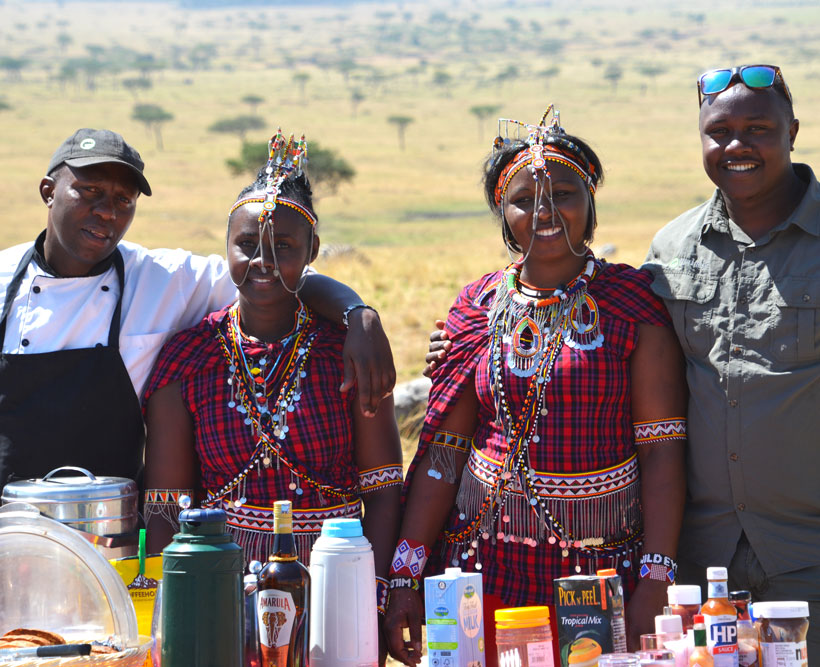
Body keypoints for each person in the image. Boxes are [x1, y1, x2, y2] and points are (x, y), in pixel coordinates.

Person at [385, 108, 687, 666]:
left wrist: (657, 577)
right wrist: (404, 576)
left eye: (564, 194)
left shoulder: (630, 305)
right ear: (504, 214)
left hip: (599, 575)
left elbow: (662, 452)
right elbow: (443, 458)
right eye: (524, 200)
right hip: (480, 568)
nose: (545, 212)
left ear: (591, 203)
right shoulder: (476, 307)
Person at [0, 128, 395, 492]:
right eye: (89, 191)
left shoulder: (164, 278)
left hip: (110, 528)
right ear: (48, 191)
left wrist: (359, 315)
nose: (107, 212)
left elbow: (278, 276)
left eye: (124, 200)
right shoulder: (3, 280)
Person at [142, 134, 401, 661]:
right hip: (220, 590)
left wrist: (369, 593)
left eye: (283, 247)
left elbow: (383, 487)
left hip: (333, 585)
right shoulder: (188, 358)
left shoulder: (346, 353)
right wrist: (175, 606)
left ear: (312, 252)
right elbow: (166, 506)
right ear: (227, 246)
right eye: (246, 245)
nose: (262, 261)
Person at [643, 65, 820, 656]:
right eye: (719, 133)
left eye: (758, 129)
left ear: (793, 131)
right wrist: (470, 341)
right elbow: (626, 357)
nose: (737, 146)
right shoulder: (672, 248)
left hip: (809, 559)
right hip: (701, 560)